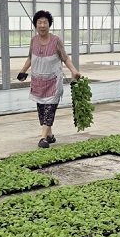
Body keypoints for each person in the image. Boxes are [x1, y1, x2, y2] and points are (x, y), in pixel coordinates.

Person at [17, 10, 81, 148]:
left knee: (49, 110)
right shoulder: (33, 41)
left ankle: (42, 138)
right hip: (38, 82)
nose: (42, 25)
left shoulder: (56, 41)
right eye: (39, 22)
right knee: (41, 110)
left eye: (45, 22)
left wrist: (74, 70)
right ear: (35, 25)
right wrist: (23, 71)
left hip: (53, 82)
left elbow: (65, 58)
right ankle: (50, 136)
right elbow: (30, 58)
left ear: (49, 24)